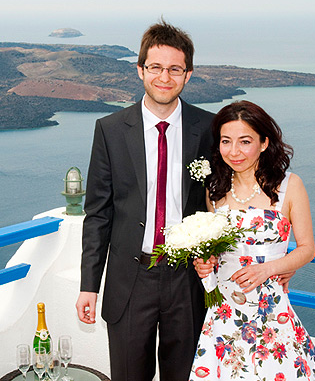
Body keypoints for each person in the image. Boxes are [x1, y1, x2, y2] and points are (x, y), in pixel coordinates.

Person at [76, 20, 214, 381]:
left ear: (188, 75)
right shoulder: (109, 130)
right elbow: (98, 214)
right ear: (140, 71)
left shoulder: (211, 129)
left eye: (174, 69)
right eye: (155, 67)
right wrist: (89, 285)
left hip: (187, 280)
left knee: (184, 376)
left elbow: (228, 203)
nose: (164, 77)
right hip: (130, 278)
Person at [190, 100, 315, 380]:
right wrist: (205, 262)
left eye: (245, 141)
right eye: (226, 141)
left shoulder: (290, 186)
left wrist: (267, 269)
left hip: (271, 309)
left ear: (264, 143)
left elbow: (307, 249)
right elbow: (217, 249)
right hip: (224, 311)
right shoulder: (214, 190)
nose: (234, 151)